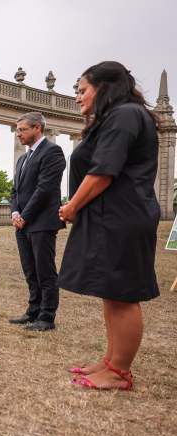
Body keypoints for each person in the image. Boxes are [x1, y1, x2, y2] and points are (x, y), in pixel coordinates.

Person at [59, 62, 160, 391]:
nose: (77, 98)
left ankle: (119, 372)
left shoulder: (125, 114)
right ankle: (111, 361)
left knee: (123, 294)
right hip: (111, 216)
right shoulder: (120, 116)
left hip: (121, 216)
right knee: (111, 292)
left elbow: (103, 171)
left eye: (82, 90)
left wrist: (72, 205)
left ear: (102, 89)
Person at [8, 112, 66, 332]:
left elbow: (45, 189)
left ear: (37, 128)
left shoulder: (52, 152)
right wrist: (15, 212)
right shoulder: (23, 158)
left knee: (45, 271)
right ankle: (33, 311)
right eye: (17, 129)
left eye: (22, 129)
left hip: (42, 222)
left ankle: (47, 317)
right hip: (22, 223)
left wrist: (25, 216)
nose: (18, 134)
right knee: (30, 270)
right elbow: (15, 190)